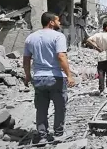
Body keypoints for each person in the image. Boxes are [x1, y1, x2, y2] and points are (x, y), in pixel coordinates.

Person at [23, 12, 75, 144]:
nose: (60, 23)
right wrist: (69, 75)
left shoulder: (31, 37)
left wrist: (28, 75)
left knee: (41, 108)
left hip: (39, 78)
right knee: (59, 107)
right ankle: (58, 134)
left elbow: (26, 59)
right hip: (55, 77)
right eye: (57, 21)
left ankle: (42, 136)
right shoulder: (58, 36)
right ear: (51, 22)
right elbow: (61, 56)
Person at [86, 21, 107, 95]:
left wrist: (96, 47)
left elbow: (88, 40)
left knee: (101, 73)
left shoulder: (97, 35)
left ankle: (101, 90)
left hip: (101, 56)